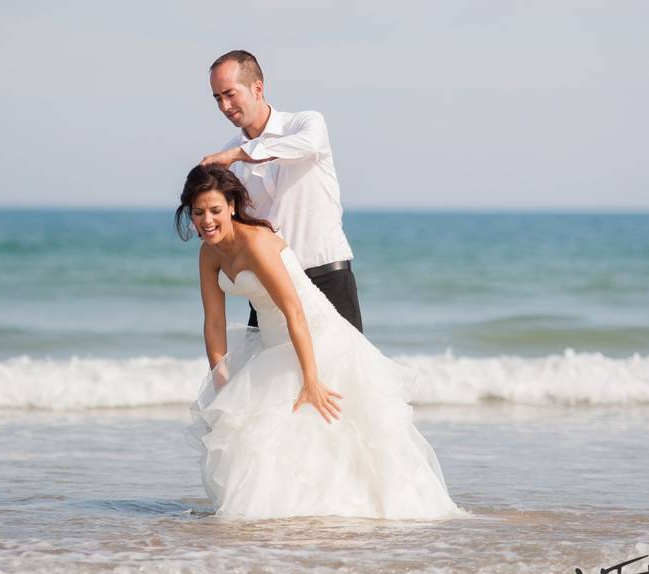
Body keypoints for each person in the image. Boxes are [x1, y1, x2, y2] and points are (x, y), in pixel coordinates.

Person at [176, 164, 464, 520]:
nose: (207, 221)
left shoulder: (257, 245)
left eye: (215, 210)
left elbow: (295, 312)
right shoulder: (209, 253)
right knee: (259, 432)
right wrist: (220, 378)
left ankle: (341, 516)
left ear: (232, 206)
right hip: (271, 342)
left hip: (314, 334)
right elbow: (214, 321)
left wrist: (311, 379)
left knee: (325, 428)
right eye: (198, 212)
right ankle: (289, 518)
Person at [200, 50, 363, 332]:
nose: (224, 106)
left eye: (230, 94)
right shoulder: (229, 160)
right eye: (217, 98)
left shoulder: (305, 124)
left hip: (327, 277)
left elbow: (308, 145)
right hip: (268, 291)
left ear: (257, 88)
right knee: (264, 376)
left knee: (344, 376)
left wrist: (241, 154)